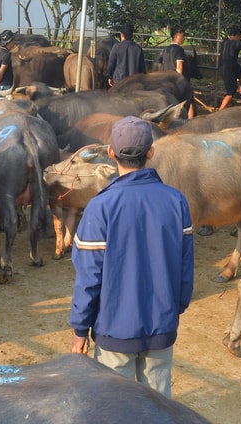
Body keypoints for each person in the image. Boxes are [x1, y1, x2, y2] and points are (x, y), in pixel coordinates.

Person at [69, 116, 194, 397]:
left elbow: (89, 277)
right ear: (151, 152)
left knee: (117, 406)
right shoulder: (176, 201)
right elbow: (186, 268)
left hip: (114, 330)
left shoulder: (100, 207)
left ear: (111, 152)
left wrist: (80, 328)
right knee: (157, 403)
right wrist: (174, 309)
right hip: (161, 324)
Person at [160, 26, 195, 119]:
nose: (183, 38)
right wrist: (181, 83)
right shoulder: (179, 50)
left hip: (168, 81)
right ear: (176, 36)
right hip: (179, 82)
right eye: (182, 36)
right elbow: (179, 67)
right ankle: (190, 123)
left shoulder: (166, 49)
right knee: (189, 102)